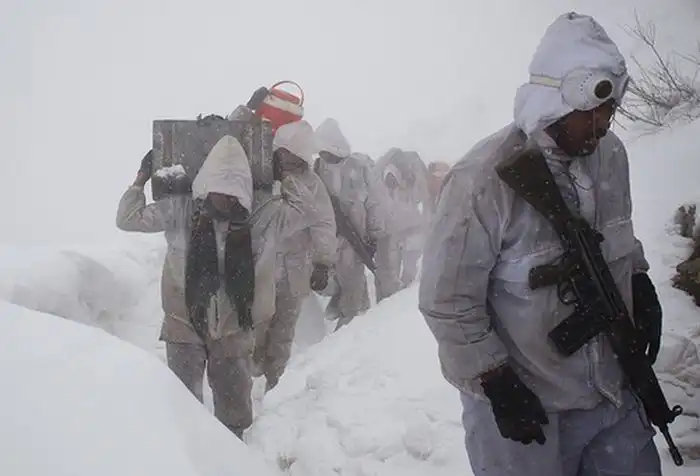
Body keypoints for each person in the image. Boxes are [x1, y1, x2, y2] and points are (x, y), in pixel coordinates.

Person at [419, 12, 663, 476]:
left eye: (609, 111)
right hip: (528, 413)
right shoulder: (483, 179)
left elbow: (620, 236)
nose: (601, 124)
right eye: (590, 111)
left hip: (612, 396)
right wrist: (495, 380)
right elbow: (447, 300)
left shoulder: (610, 156)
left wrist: (639, 280)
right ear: (554, 102)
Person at [116, 114, 320, 439]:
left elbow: (309, 211)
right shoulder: (180, 210)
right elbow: (127, 219)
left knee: (234, 419)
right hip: (183, 325)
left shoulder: (263, 214)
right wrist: (140, 178)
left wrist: (284, 178)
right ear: (203, 188)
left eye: (232, 196)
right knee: (181, 414)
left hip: (235, 328)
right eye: (217, 193)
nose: (224, 202)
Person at [252, 120, 337, 391]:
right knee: (255, 330)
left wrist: (323, 262)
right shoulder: (262, 178)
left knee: (283, 332)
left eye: (290, 154)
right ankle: (245, 383)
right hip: (261, 269)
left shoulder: (312, 184)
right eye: (282, 153)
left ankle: (274, 388)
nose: (285, 159)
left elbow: (324, 223)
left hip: (295, 270)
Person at [313, 118, 390, 330]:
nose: (323, 156)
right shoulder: (318, 168)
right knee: (327, 283)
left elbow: (374, 202)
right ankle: (350, 316)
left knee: (353, 286)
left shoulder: (359, 166)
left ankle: (353, 325)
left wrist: (374, 234)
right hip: (330, 239)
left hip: (357, 238)